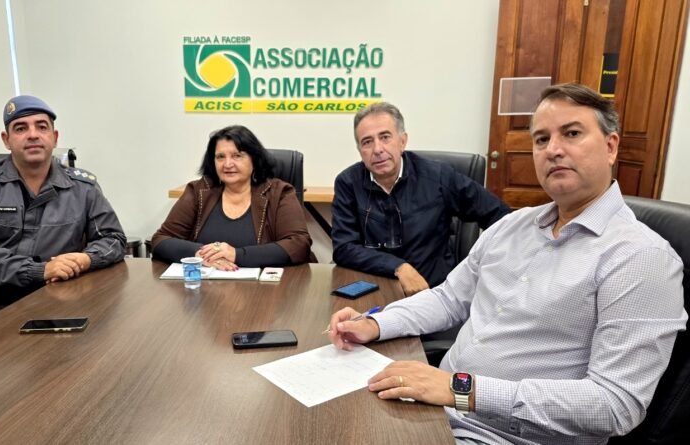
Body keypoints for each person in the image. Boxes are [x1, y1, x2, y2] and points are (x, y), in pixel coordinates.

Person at [327, 84, 687, 444]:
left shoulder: (641, 258)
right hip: (435, 409)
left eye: (572, 133)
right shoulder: (512, 226)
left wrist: (460, 389)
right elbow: (448, 299)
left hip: (501, 435)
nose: (554, 150)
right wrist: (374, 324)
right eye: (542, 139)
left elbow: (615, 405)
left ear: (611, 146)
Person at [0, 95, 126, 333]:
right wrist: (41, 270)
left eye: (41, 127)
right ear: (6, 140)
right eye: (21, 128)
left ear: (54, 137)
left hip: (56, 302)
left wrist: (86, 259)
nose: (33, 135)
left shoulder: (83, 188)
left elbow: (114, 239)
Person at [332, 102, 509, 295]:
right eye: (367, 142)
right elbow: (344, 248)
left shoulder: (438, 176)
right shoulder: (348, 183)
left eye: (385, 137)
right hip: (375, 292)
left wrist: (481, 268)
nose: (377, 149)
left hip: (434, 293)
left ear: (402, 141)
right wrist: (398, 267)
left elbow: (500, 216)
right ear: (360, 150)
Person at [151, 125, 313, 269]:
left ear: (254, 159)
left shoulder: (279, 193)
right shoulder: (198, 191)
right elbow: (160, 240)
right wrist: (200, 254)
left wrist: (237, 254)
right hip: (206, 286)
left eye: (237, 156)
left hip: (265, 288)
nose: (227, 164)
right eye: (220, 157)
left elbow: (299, 244)